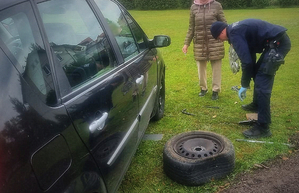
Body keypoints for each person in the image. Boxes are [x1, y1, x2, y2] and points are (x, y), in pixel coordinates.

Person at [210, 19, 291, 138]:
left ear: (221, 32)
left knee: (263, 82)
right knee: (258, 73)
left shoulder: (234, 34)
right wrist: (251, 76)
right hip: (273, 43)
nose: (220, 41)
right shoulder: (235, 30)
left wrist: (244, 84)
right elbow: (250, 55)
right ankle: (256, 104)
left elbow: (246, 62)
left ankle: (263, 127)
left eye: (218, 38)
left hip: (278, 44)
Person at [182, 0, 226, 100]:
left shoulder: (217, 5)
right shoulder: (193, 7)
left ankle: (215, 90)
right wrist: (186, 44)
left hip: (215, 42)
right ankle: (203, 88)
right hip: (199, 43)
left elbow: (224, 24)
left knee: (216, 67)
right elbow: (191, 28)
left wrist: (230, 38)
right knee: (201, 67)